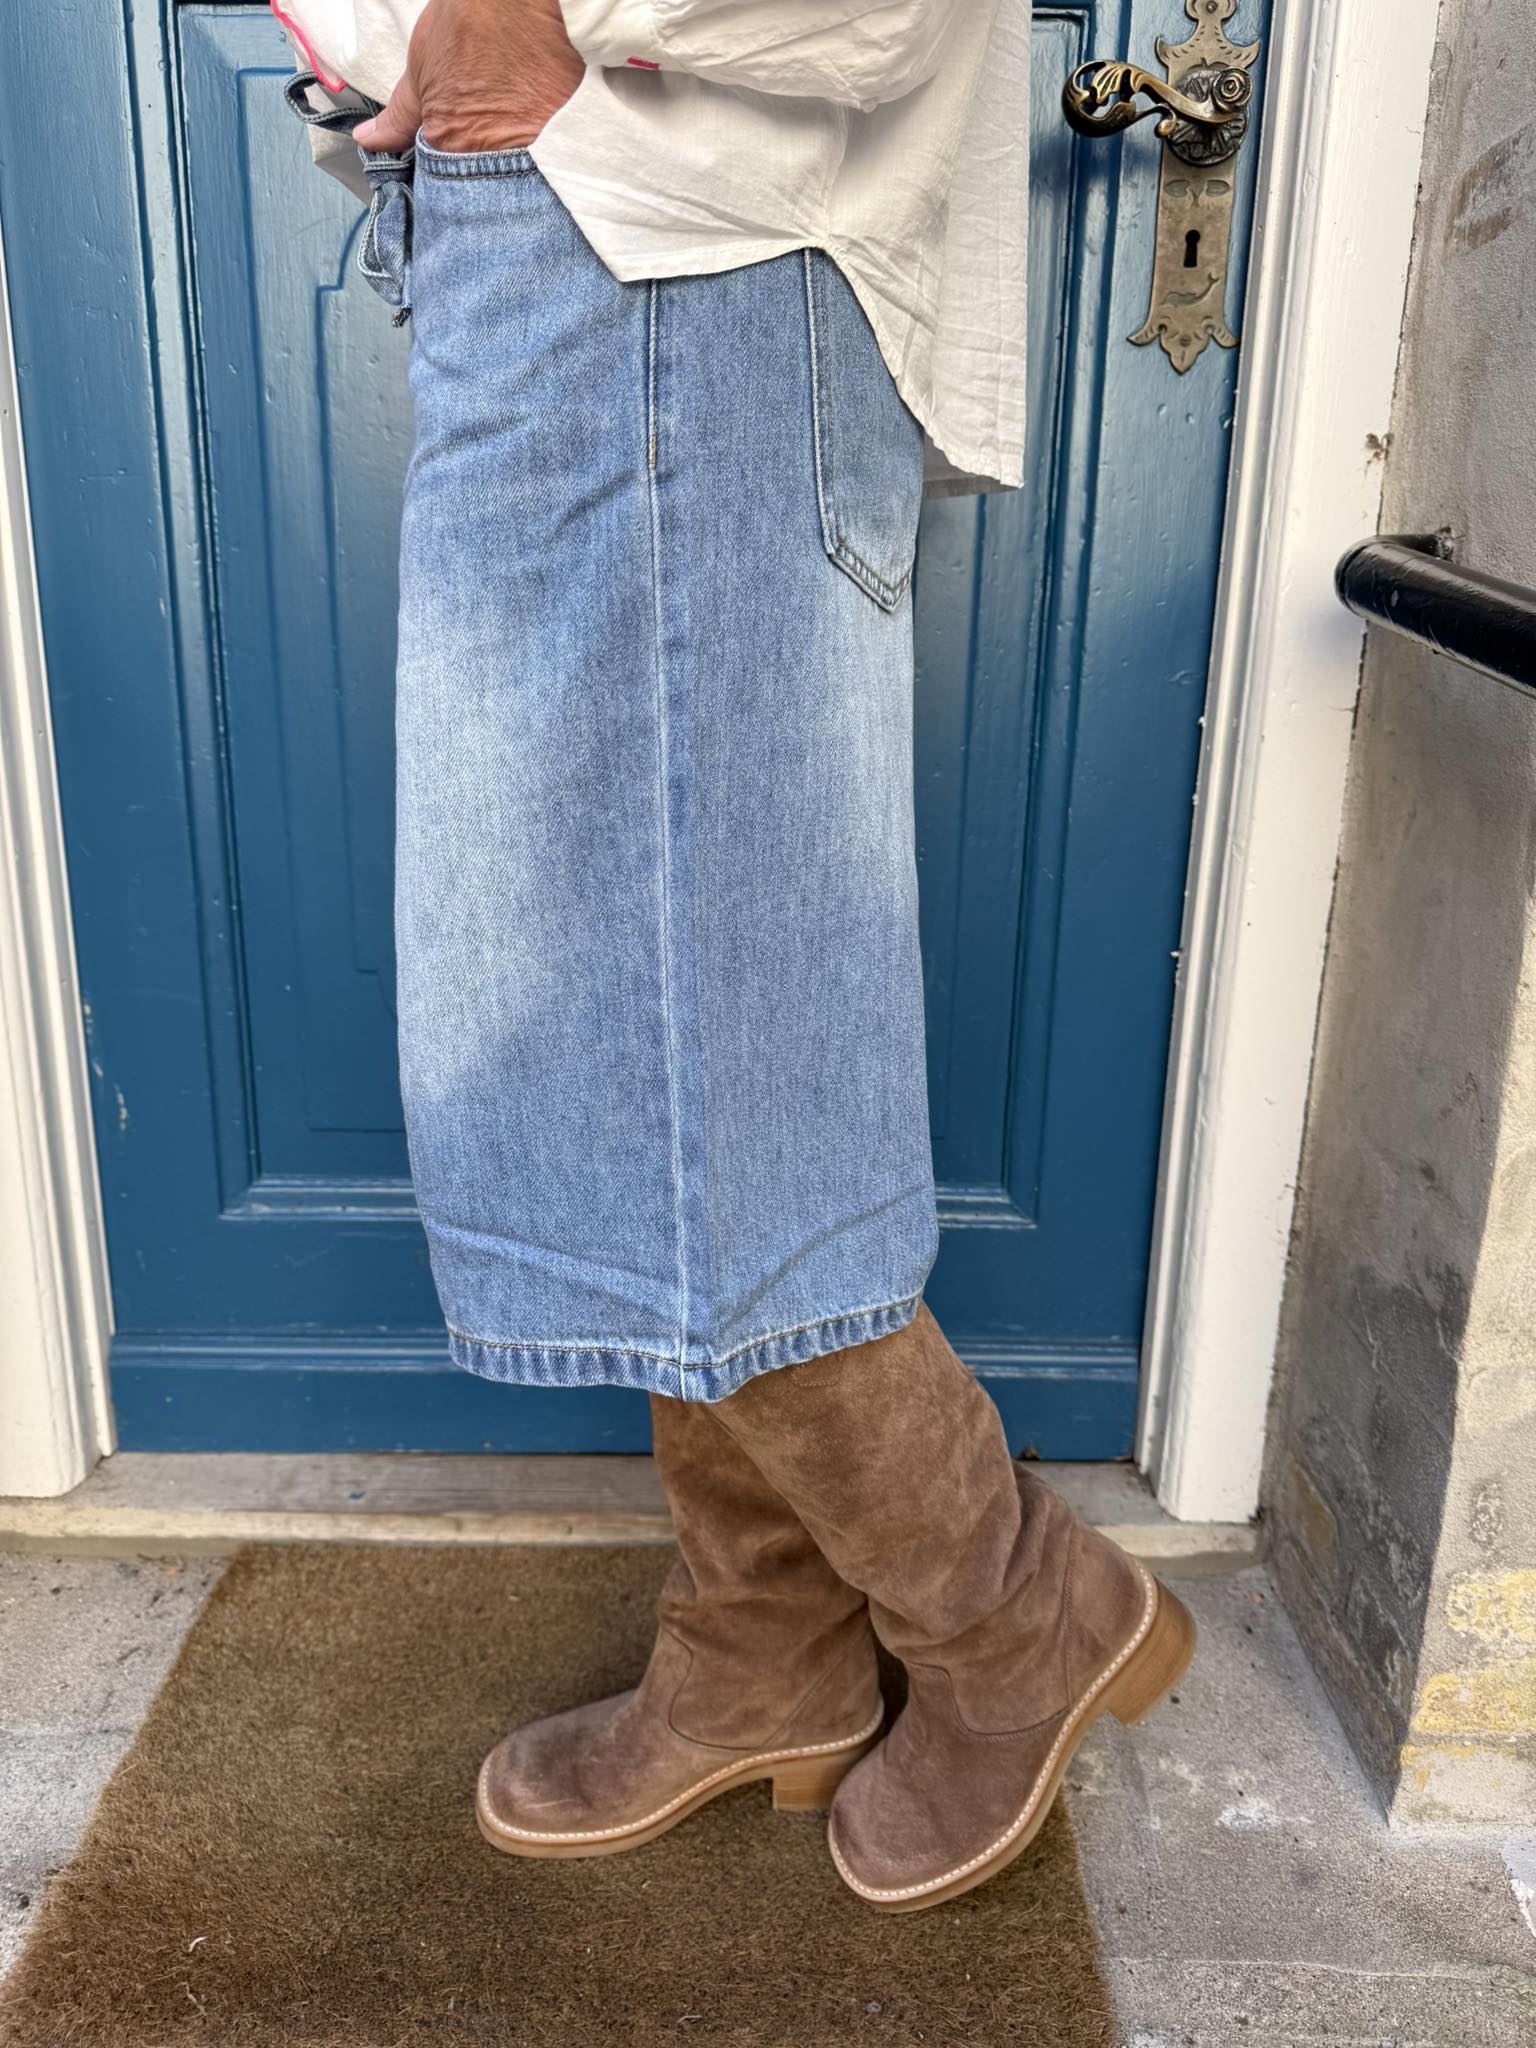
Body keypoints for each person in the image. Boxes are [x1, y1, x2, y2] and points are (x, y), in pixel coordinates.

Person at [277, 0, 1194, 1913]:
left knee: (698, 1075)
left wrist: (515, 23)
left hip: (680, 286)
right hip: (577, 262)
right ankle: (764, 1644)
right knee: (630, 1064)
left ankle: (1015, 1614)